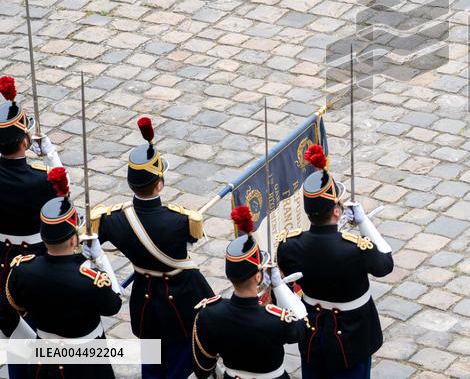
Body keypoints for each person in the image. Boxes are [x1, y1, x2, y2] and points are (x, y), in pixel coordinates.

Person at [89, 117, 213, 379]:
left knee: (151, 360)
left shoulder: (113, 220)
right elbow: (190, 242)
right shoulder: (182, 221)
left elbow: (92, 241)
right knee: (181, 358)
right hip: (180, 301)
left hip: (145, 299)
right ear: (159, 184)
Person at [276, 146, 393, 379]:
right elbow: (385, 264)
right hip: (353, 336)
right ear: (337, 212)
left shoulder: (288, 246)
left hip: (313, 334)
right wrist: (363, 222)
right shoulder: (354, 248)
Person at [1, 169, 122, 379]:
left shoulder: (22, 269)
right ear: (74, 240)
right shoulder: (90, 279)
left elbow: (15, 304)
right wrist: (99, 260)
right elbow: (113, 305)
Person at [191, 206, 308, 379]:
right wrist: (279, 286)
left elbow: (202, 368)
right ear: (259, 276)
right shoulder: (277, 320)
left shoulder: (209, 314)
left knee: (155, 360)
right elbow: (303, 323)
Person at [0, 76, 62, 300]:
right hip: (33, 257)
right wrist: (50, 156)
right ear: (25, 142)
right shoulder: (41, 180)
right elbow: (63, 202)